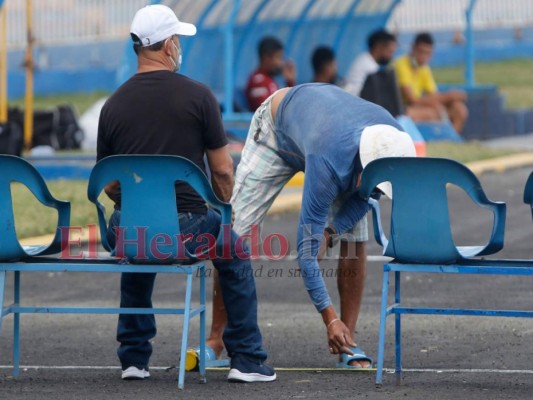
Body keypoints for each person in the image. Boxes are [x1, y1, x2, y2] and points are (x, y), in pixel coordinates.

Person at [97, 4, 275, 383]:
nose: (178, 45)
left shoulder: (112, 106)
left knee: (137, 241)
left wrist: (134, 206)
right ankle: (246, 360)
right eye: (176, 39)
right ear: (167, 45)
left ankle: (133, 358)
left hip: (126, 232)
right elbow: (224, 170)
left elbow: (109, 183)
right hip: (188, 229)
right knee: (234, 251)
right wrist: (224, 208)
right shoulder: (198, 96)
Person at [194, 83, 416, 369]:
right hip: (277, 132)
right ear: (362, 164)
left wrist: (331, 231)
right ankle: (216, 339)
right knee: (233, 235)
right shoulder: (329, 161)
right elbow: (306, 254)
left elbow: (366, 195)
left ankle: (347, 342)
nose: (373, 187)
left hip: (321, 130)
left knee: (354, 239)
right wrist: (329, 318)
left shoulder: (391, 141)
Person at [394, 32, 468, 133]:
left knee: (459, 109)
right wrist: (449, 96)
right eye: (421, 52)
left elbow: (433, 95)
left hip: (417, 107)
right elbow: (412, 99)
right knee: (431, 113)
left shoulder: (424, 69)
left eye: (428, 53)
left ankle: (452, 141)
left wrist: (449, 98)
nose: (423, 57)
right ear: (412, 48)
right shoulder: (401, 64)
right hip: (401, 110)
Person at [245, 36, 296, 111]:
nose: (281, 63)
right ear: (266, 58)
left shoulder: (269, 80)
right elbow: (265, 111)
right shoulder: (258, 81)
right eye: (278, 57)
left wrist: (290, 82)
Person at [344, 29, 397, 97]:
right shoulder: (369, 66)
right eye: (390, 52)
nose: (391, 57)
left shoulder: (364, 59)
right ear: (379, 47)